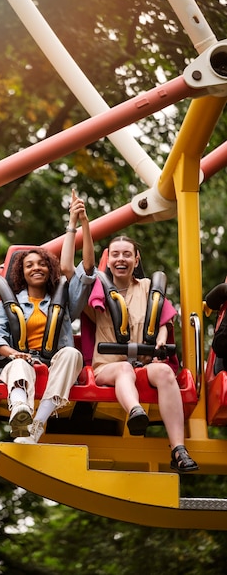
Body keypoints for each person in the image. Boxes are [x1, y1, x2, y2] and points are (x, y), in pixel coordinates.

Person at [61, 192, 199, 473]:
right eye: (115, 255)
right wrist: (78, 223)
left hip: (144, 364)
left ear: (136, 259)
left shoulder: (148, 288)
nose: (121, 259)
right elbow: (68, 268)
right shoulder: (97, 293)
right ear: (107, 260)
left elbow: (161, 320)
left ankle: (178, 449)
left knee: (164, 372)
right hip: (108, 367)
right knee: (124, 368)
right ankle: (136, 412)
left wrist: (161, 343)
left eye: (127, 254)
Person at [0, 246, 93, 444]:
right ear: (21, 272)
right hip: (21, 359)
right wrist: (14, 353)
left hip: (54, 362)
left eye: (42, 264)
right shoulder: (7, 304)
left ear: (50, 269)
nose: (36, 268)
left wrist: (77, 223)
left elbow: (84, 278)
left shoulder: (63, 303)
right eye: (29, 265)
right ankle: (19, 408)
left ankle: (37, 425)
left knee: (73, 354)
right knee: (18, 365)